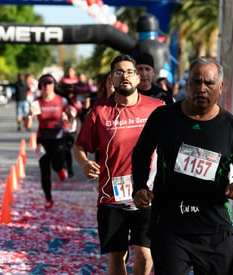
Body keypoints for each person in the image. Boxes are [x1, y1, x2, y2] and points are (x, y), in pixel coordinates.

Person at [131, 56, 233, 275]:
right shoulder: (163, 117)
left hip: (214, 231)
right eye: (196, 82)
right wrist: (140, 185)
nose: (202, 88)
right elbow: (141, 152)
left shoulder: (231, 126)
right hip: (170, 228)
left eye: (208, 83)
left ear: (220, 88)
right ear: (187, 85)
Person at [73, 54, 164, 275]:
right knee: (117, 256)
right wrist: (85, 163)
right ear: (111, 80)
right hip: (112, 197)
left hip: (147, 195)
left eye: (130, 72)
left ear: (138, 77)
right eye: (118, 72)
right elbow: (80, 146)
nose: (125, 76)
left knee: (145, 254)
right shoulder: (99, 111)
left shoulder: (158, 108)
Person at [24, 74, 68, 209]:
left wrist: (69, 117)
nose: (47, 86)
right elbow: (28, 126)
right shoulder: (36, 102)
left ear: (54, 85)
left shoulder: (62, 101)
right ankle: (48, 198)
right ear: (40, 87)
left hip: (58, 139)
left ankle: (60, 169)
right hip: (42, 140)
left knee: (56, 164)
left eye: (50, 83)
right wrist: (30, 114)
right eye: (44, 84)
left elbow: (70, 119)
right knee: (44, 169)